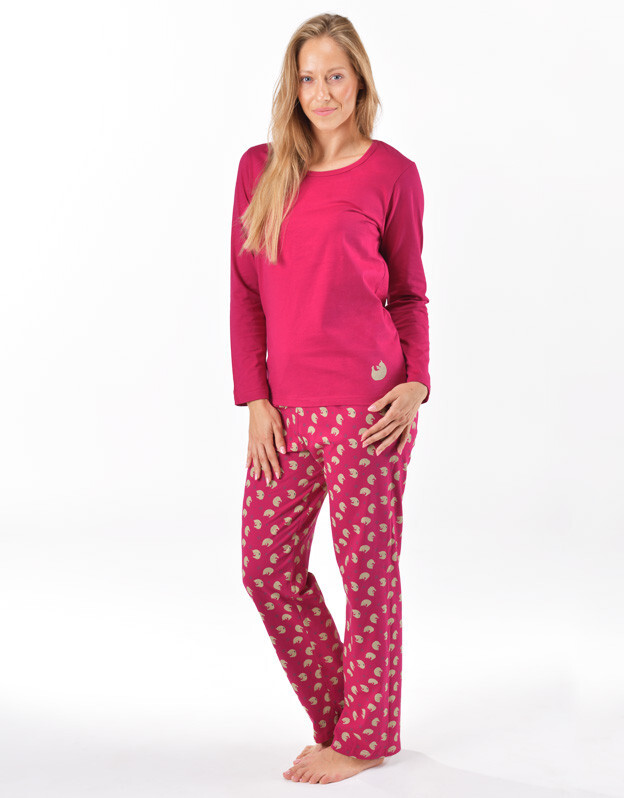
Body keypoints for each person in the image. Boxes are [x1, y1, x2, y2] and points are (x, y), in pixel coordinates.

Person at [230, 13, 431, 786]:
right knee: (266, 568)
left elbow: (409, 293)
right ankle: (349, 718)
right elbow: (246, 292)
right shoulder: (260, 169)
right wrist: (255, 399)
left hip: (371, 410)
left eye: (335, 76)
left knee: (367, 575)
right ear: (294, 86)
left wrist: (416, 381)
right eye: (308, 78)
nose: (321, 92)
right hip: (283, 413)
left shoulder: (392, 174)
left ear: (359, 82)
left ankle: (364, 738)